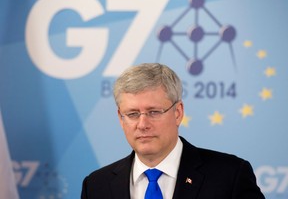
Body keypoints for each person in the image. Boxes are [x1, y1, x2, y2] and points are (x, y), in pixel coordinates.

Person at [81, 63, 265, 199]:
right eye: (132, 114)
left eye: (153, 112)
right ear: (121, 118)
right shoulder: (97, 186)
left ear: (178, 113)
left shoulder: (230, 176)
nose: (142, 124)